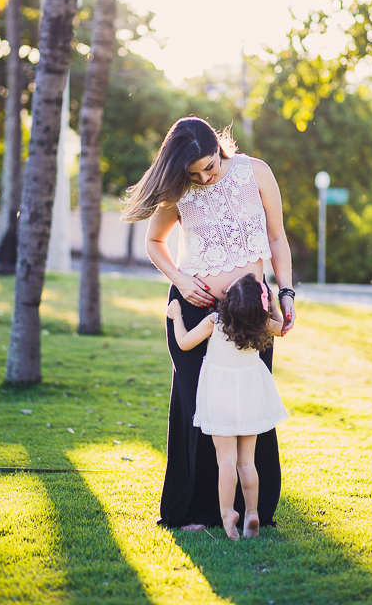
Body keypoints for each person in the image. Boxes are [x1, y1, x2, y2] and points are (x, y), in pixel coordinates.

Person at [122, 116, 296, 530]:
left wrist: (286, 294)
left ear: (221, 149)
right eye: (193, 172)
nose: (203, 177)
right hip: (196, 308)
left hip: (250, 313)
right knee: (195, 405)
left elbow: (276, 238)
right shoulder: (179, 189)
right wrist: (180, 280)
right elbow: (154, 242)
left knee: (248, 402)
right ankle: (192, 512)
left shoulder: (256, 172)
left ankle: (254, 510)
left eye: (209, 167)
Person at [167, 274, 288, 540]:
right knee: (247, 462)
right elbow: (283, 328)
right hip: (251, 397)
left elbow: (185, 342)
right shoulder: (261, 324)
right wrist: (274, 306)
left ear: (228, 300)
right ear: (260, 307)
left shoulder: (215, 321)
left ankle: (227, 513)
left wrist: (177, 316)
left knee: (226, 461)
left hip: (220, 398)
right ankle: (252, 512)